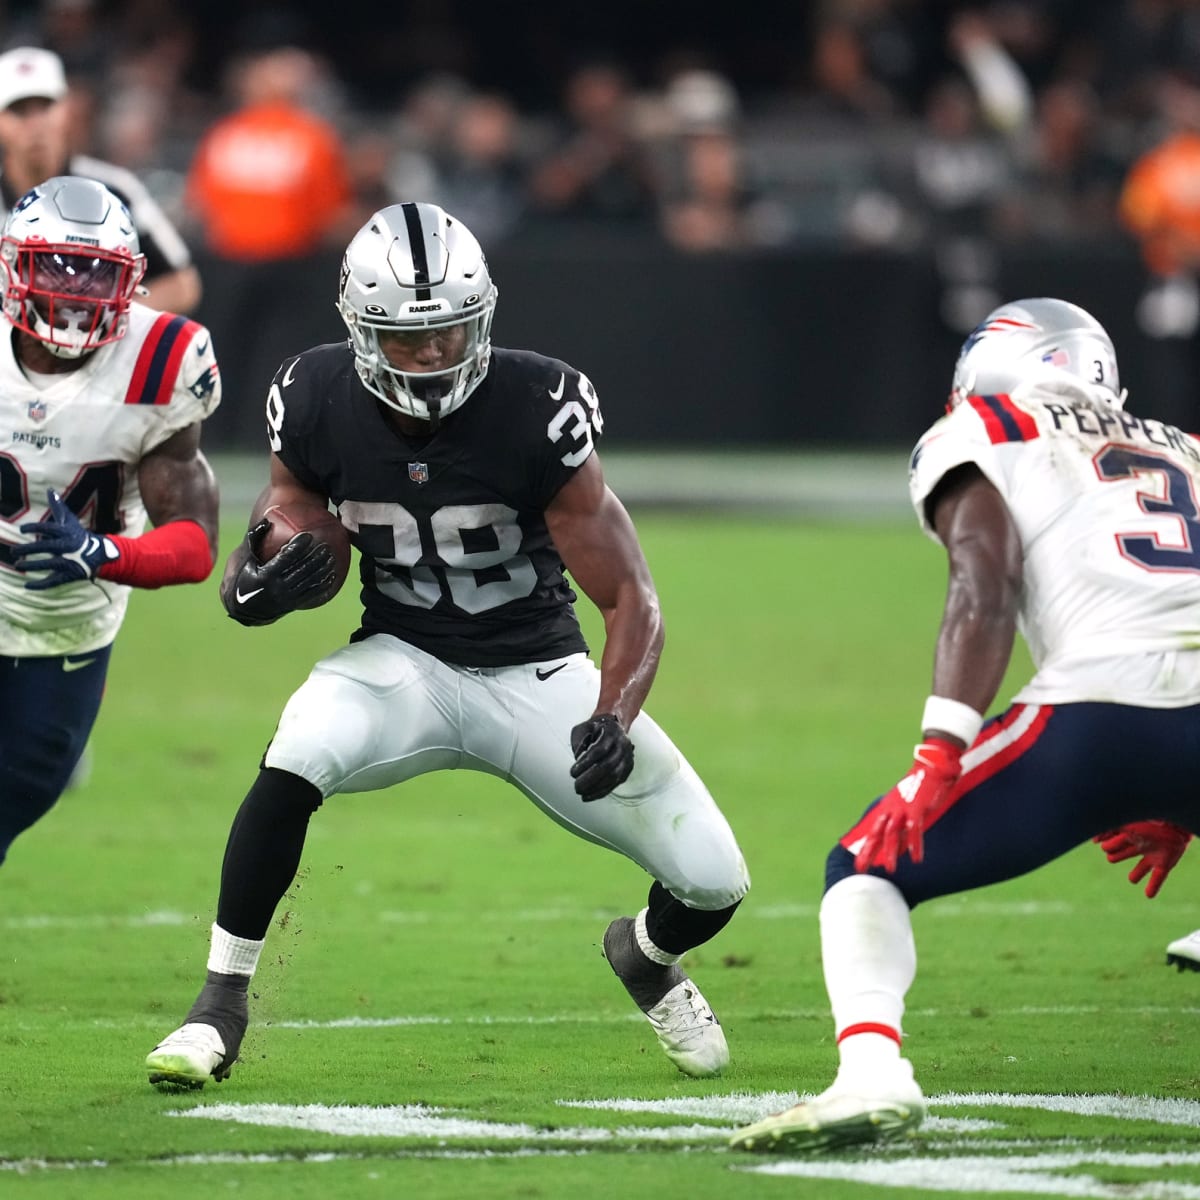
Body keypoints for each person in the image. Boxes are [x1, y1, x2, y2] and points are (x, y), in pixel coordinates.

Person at [144, 200, 749, 1089]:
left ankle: (645, 956)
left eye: (452, 332)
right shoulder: (313, 394)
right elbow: (290, 517)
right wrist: (256, 575)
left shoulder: (538, 402)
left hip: (538, 670)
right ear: (360, 330)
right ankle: (220, 1004)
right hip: (405, 662)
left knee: (714, 879)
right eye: (408, 339)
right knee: (295, 754)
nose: (434, 356)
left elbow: (632, 598)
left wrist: (614, 714)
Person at [731, 297, 1198, 1155]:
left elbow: (985, 587)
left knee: (866, 864)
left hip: (1104, 702)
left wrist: (939, 751)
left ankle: (872, 1072)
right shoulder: (1184, 445)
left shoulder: (988, 425)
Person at [0, 174, 220, 864]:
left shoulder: (163, 359)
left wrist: (103, 553)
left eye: (99, 276)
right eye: (57, 268)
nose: (74, 293)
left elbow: (194, 542)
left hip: (64, 627)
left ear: (132, 282)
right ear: (13, 266)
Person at [183, 42, 354, 449]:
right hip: (289, 260)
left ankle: (214, 437)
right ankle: (283, 434)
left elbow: (200, 204)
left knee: (225, 355)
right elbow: (329, 213)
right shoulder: (311, 134)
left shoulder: (225, 134)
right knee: (289, 358)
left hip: (234, 260)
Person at [0, 46, 201, 316]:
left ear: (66, 109)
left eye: (45, 106)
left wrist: (102, 322)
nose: (36, 124)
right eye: (20, 110)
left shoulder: (115, 190)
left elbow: (183, 284)